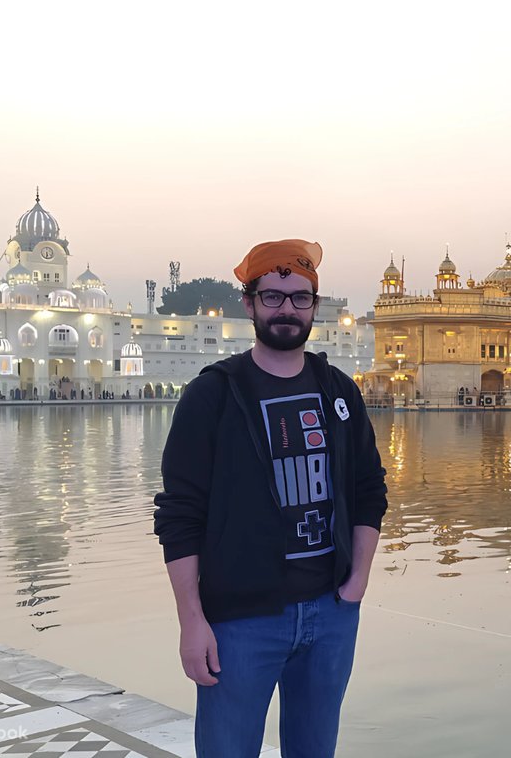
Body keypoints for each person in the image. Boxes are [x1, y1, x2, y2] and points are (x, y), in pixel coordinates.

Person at [154, 239, 388, 757]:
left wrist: (358, 581)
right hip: (240, 621)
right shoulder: (213, 395)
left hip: (330, 612)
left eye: (300, 298)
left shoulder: (339, 392)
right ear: (250, 303)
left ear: (315, 306)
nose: (287, 309)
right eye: (273, 296)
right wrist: (191, 620)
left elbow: (369, 489)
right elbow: (179, 514)